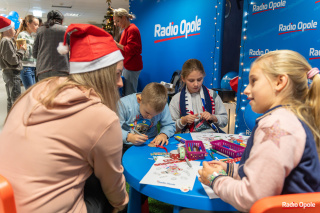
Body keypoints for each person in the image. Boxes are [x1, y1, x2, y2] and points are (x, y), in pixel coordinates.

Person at [0, 24, 129, 213]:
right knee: (109, 191)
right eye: (117, 74)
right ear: (102, 76)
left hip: (6, 202)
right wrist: (122, 204)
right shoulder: (102, 117)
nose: (120, 83)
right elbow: (114, 186)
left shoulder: (38, 89)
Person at [198, 50, 320, 212]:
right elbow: (267, 174)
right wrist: (229, 169)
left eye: (254, 81)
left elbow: (253, 198)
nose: (246, 90)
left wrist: (214, 179)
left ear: (279, 82)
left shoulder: (277, 126)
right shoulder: (292, 119)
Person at [169, 59, 228, 133]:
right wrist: (183, 121)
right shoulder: (176, 99)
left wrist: (213, 117)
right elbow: (170, 127)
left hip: (211, 137)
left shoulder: (213, 95)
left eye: (199, 79)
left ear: (203, 75)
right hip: (188, 139)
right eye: (191, 80)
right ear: (183, 78)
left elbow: (225, 120)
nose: (196, 84)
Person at [119, 82, 175, 152]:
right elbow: (113, 130)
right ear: (139, 100)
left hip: (151, 143)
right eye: (147, 113)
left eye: (155, 115)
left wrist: (164, 134)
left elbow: (169, 125)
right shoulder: (123, 105)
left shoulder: (162, 105)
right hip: (127, 145)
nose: (149, 117)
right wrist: (129, 137)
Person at [33, 10, 69, 81]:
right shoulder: (66, 30)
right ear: (61, 21)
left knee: (45, 92)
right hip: (62, 70)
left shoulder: (40, 31)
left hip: (43, 69)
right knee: (59, 92)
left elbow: (34, 53)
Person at [113, 8, 142, 96]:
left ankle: (132, 110)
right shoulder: (125, 30)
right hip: (127, 65)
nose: (117, 24)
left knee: (130, 94)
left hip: (131, 66)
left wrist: (117, 44)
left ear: (124, 18)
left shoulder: (132, 29)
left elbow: (130, 49)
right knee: (126, 92)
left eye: (118, 21)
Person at [0, 16, 26, 112]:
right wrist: (21, 51)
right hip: (12, 73)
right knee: (15, 99)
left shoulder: (5, 40)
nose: (15, 30)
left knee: (11, 99)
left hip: (8, 72)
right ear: (7, 30)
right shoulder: (6, 41)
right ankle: (15, 123)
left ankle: (10, 121)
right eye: (13, 28)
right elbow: (13, 60)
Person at [17, 15, 39, 89]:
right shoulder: (22, 35)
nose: (37, 27)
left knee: (33, 91)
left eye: (38, 25)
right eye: (35, 24)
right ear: (28, 24)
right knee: (30, 92)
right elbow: (20, 51)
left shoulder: (32, 36)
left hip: (33, 67)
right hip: (26, 66)